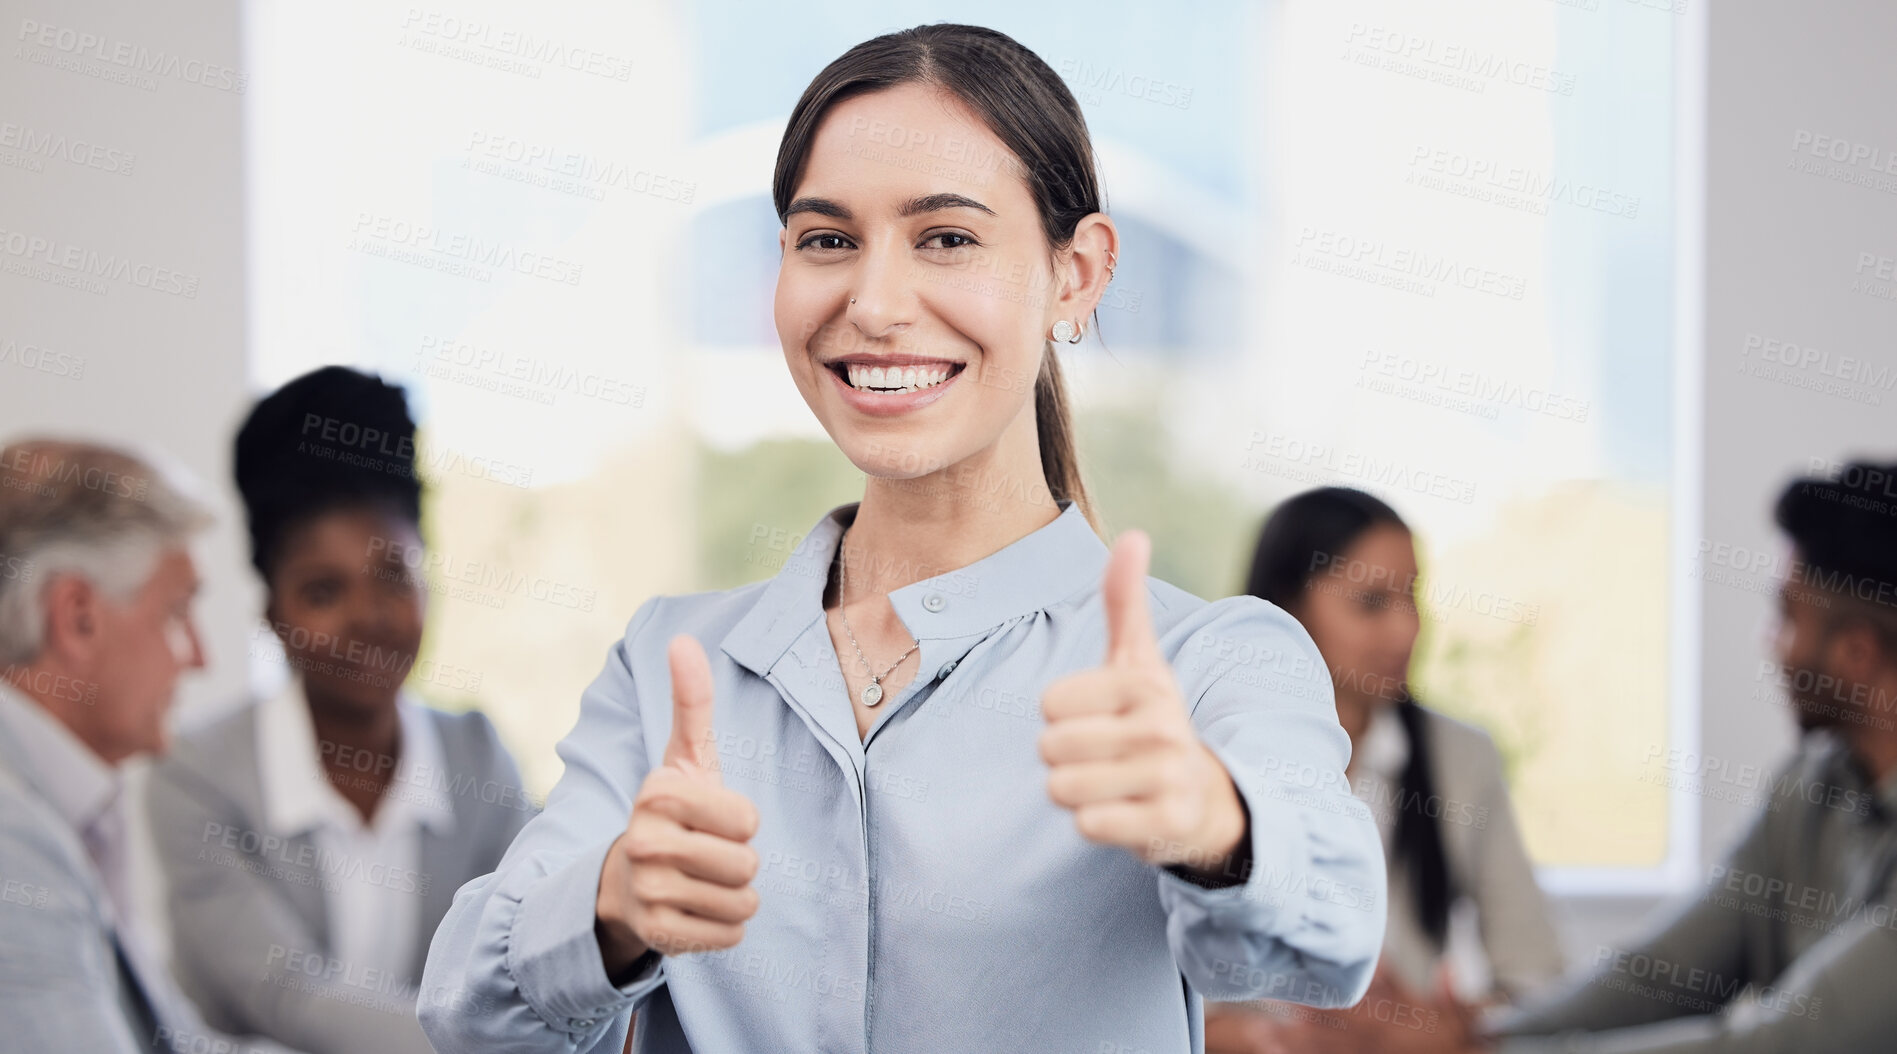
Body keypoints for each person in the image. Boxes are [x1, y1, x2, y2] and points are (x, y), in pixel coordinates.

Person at [419, 23, 1385, 1054]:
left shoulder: (1209, 663)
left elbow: (1327, 936)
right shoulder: (669, 666)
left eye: (947, 238)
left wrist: (1214, 825)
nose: (873, 305)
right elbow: (467, 1016)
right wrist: (611, 906)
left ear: (1078, 274)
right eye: (826, 239)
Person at [1278, 459, 1897, 1052]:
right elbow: (1661, 976)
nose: (1771, 643)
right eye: (1371, 602)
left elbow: (1788, 1045)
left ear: (1857, 653)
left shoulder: (1457, 756)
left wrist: (1474, 1053)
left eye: (1786, 616)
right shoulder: (1812, 787)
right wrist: (1487, 1038)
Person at [145, 367, 533, 1054]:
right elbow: (287, 996)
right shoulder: (195, 774)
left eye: (393, 576)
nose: (369, 618)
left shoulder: (477, 757)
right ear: (271, 615)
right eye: (323, 591)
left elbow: (518, 966)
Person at [1204, 488, 1562, 1053]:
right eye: (1371, 602)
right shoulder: (1207, 757)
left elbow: (1539, 980)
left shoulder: (1461, 758)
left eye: (1412, 597)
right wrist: (1236, 1038)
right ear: (1284, 610)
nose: (1406, 631)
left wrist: (1453, 1030)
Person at [0, 438, 292, 1053]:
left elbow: (178, 1043)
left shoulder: (68, 808)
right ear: (77, 616)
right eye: (176, 612)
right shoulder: (11, 838)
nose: (199, 657)